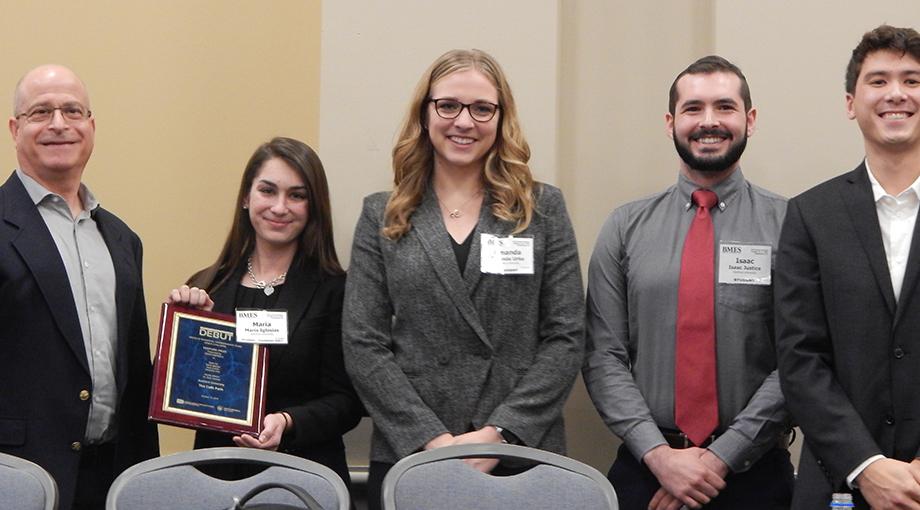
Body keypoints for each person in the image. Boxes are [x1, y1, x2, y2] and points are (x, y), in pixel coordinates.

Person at [342, 48, 584, 510]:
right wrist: (432, 440)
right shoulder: (382, 214)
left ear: (501, 117)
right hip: (412, 452)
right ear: (425, 113)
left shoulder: (542, 209)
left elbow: (566, 337)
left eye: (482, 108)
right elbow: (363, 343)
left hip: (520, 450)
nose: (464, 122)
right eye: (448, 105)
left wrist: (497, 436)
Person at [583, 55, 793, 510]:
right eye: (693, 108)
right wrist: (661, 457)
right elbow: (603, 355)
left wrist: (719, 459)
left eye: (725, 107)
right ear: (671, 122)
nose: (709, 121)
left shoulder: (792, 226)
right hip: (646, 473)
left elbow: (800, 357)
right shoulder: (624, 227)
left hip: (757, 476)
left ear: (749, 119)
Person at [0, 64, 159, 509]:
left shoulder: (123, 239)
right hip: (17, 477)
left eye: (72, 111)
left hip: (110, 476)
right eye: (40, 112)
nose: (58, 124)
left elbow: (132, 365)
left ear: (91, 126)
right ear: (15, 128)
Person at [775, 25, 920, 510]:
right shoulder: (811, 215)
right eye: (878, 81)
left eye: (912, 80)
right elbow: (800, 358)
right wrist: (867, 465)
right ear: (850, 103)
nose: (896, 93)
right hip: (840, 483)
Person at [167, 137, 363, 486]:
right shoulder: (206, 286)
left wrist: (288, 422)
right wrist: (185, 332)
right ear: (246, 197)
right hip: (217, 479)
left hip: (305, 477)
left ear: (313, 206)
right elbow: (180, 395)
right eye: (268, 191)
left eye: (297, 195)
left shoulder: (337, 290)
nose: (279, 207)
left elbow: (348, 401)